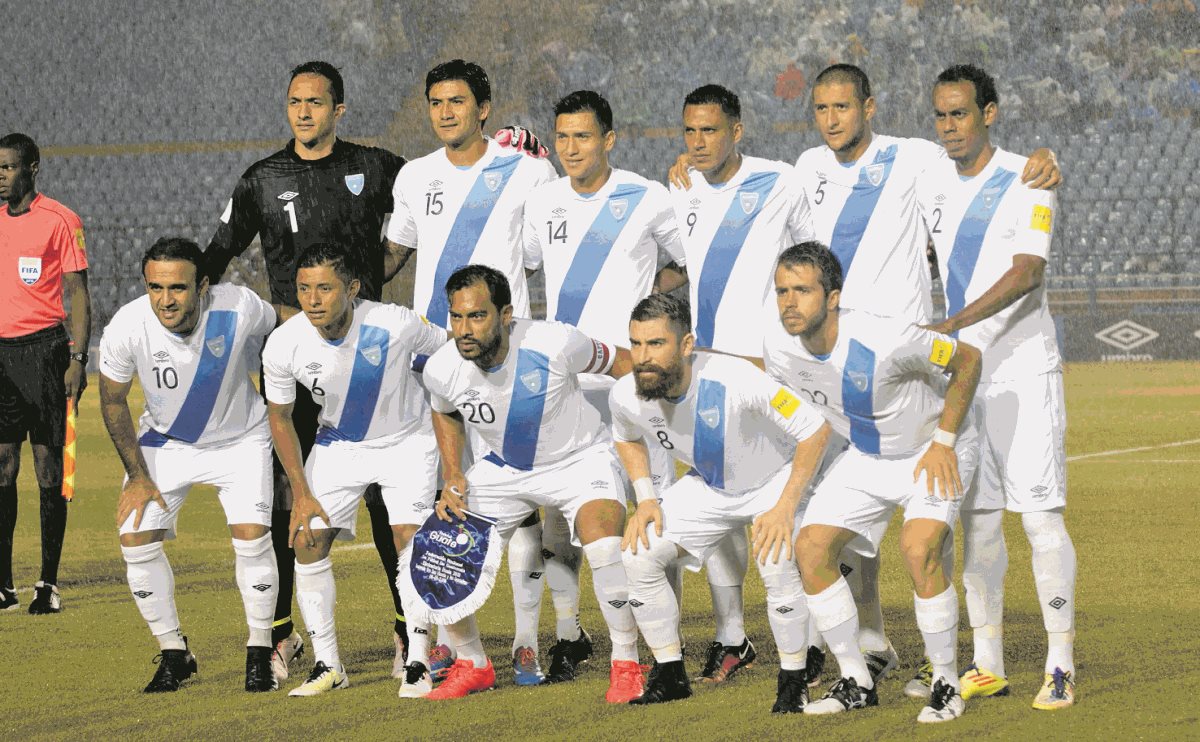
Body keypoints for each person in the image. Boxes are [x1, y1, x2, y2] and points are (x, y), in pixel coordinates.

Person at [204, 60, 542, 682]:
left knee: (414, 503)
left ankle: (413, 632)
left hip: (382, 357)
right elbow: (218, 255)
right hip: (304, 359)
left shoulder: (386, 168)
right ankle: (278, 637)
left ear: (340, 109)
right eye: (293, 101)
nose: (303, 112)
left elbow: (415, 230)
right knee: (292, 498)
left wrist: (360, 307)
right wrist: (208, 301)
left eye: (315, 102)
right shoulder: (262, 178)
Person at [791, 63, 1062, 690]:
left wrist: (1043, 160)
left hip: (914, 365)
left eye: (843, 107)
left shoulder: (913, 158)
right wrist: (690, 176)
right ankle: (874, 646)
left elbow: (987, 168)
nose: (832, 119)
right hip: (838, 367)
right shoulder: (805, 171)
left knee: (930, 521)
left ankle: (951, 662)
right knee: (846, 521)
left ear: (869, 106)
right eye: (822, 109)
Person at [383, 59, 558, 684]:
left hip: (505, 357)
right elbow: (393, 254)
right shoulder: (414, 176)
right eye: (436, 102)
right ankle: (437, 642)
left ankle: (528, 643)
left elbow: (541, 255)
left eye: (457, 100)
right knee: (440, 498)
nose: (446, 111)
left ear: (484, 107)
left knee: (520, 499)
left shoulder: (529, 170)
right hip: (434, 356)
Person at [764, 242, 983, 723]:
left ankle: (946, 683)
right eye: (782, 290)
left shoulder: (888, 338)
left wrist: (945, 440)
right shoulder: (778, 348)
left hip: (932, 447)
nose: (789, 302)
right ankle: (856, 680)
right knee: (811, 548)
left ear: (833, 296)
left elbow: (968, 360)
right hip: (867, 456)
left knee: (918, 546)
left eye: (802, 290)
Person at [917, 64, 1077, 711]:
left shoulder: (1029, 175)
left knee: (1038, 518)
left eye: (960, 113)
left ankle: (1060, 663)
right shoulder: (928, 180)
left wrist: (949, 326)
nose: (950, 126)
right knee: (978, 525)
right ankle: (987, 662)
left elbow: (1028, 274)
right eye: (940, 115)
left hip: (1022, 374)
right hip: (965, 379)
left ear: (990, 112)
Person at [419, 265, 643, 704]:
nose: (464, 330)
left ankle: (627, 663)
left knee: (602, 541)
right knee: (439, 545)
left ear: (506, 314)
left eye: (477, 316)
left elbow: (622, 362)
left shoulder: (556, 341)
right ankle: (474, 664)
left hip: (580, 460)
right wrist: (453, 475)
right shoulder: (443, 368)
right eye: (456, 317)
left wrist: (648, 422)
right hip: (505, 469)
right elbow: (443, 411)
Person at [521, 89, 687, 683]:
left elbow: (687, 264)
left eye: (583, 137)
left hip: (631, 381)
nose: (571, 148)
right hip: (567, 385)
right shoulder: (541, 203)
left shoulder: (647, 197)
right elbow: (529, 267)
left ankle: (667, 640)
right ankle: (570, 633)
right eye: (562, 137)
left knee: (654, 512)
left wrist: (656, 314)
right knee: (563, 521)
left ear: (609, 140)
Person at [612, 293, 829, 712]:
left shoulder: (737, 378)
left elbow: (814, 428)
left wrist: (785, 506)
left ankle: (793, 680)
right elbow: (626, 436)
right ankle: (671, 674)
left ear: (687, 344)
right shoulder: (626, 394)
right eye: (636, 344)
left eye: (655, 344)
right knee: (639, 553)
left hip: (775, 482)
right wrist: (645, 499)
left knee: (776, 563)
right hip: (711, 487)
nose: (642, 357)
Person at [666, 84, 815, 685]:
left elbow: (813, 258)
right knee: (720, 495)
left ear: (737, 130)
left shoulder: (781, 182)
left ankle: (818, 644)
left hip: (771, 372)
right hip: (706, 373)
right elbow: (679, 262)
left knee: (790, 511)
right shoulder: (681, 188)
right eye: (689, 132)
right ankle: (733, 636)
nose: (698, 143)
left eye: (710, 130)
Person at [261, 244, 448, 697]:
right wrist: (301, 492)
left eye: (325, 287)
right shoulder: (285, 343)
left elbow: (448, 353)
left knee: (409, 539)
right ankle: (328, 664)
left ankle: (418, 661)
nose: (313, 299)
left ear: (353, 288)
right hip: (340, 444)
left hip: (408, 440)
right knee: (307, 536)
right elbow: (280, 417)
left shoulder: (396, 324)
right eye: (304, 289)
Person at [98, 238, 278, 693]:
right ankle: (176, 654)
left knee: (252, 541)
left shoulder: (237, 305)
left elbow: (284, 322)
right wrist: (138, 476)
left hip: (241, 439)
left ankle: (259, 652)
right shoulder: (128, 324)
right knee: (134, 539)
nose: (165, 300)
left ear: (202, 286)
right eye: (155, 287)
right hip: (166, 442)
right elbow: (113, 401)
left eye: (177, 288)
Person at [0, 132, 90, 615]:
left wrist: (79, 358)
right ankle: (2, 584)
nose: (0, 175)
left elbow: (77, 294)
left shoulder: (60, 220)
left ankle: (47, 583)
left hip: (44, 352)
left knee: (47, 469)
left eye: (8, 167)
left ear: (32, 168)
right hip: (0, 355)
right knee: (1, 466)